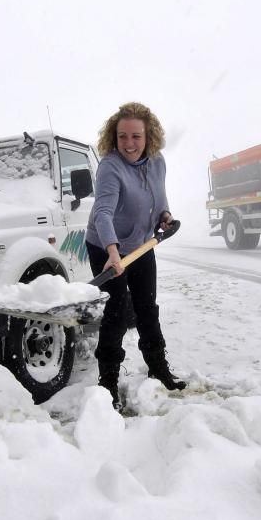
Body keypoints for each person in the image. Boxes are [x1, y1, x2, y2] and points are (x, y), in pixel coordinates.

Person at [85, 101, 186, 410]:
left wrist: (164, 215)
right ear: (114, 137)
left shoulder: (157, 162)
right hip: (106, 246)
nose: (129, 144)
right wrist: (113, 253)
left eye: (136, 136)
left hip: (141, 245)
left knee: (146, 307)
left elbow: (159, 195)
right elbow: (103, 213)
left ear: (148, 136)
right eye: (122, 136)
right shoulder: (110, 167)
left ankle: (158, 367)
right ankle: (108, 383)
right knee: (115, 314)